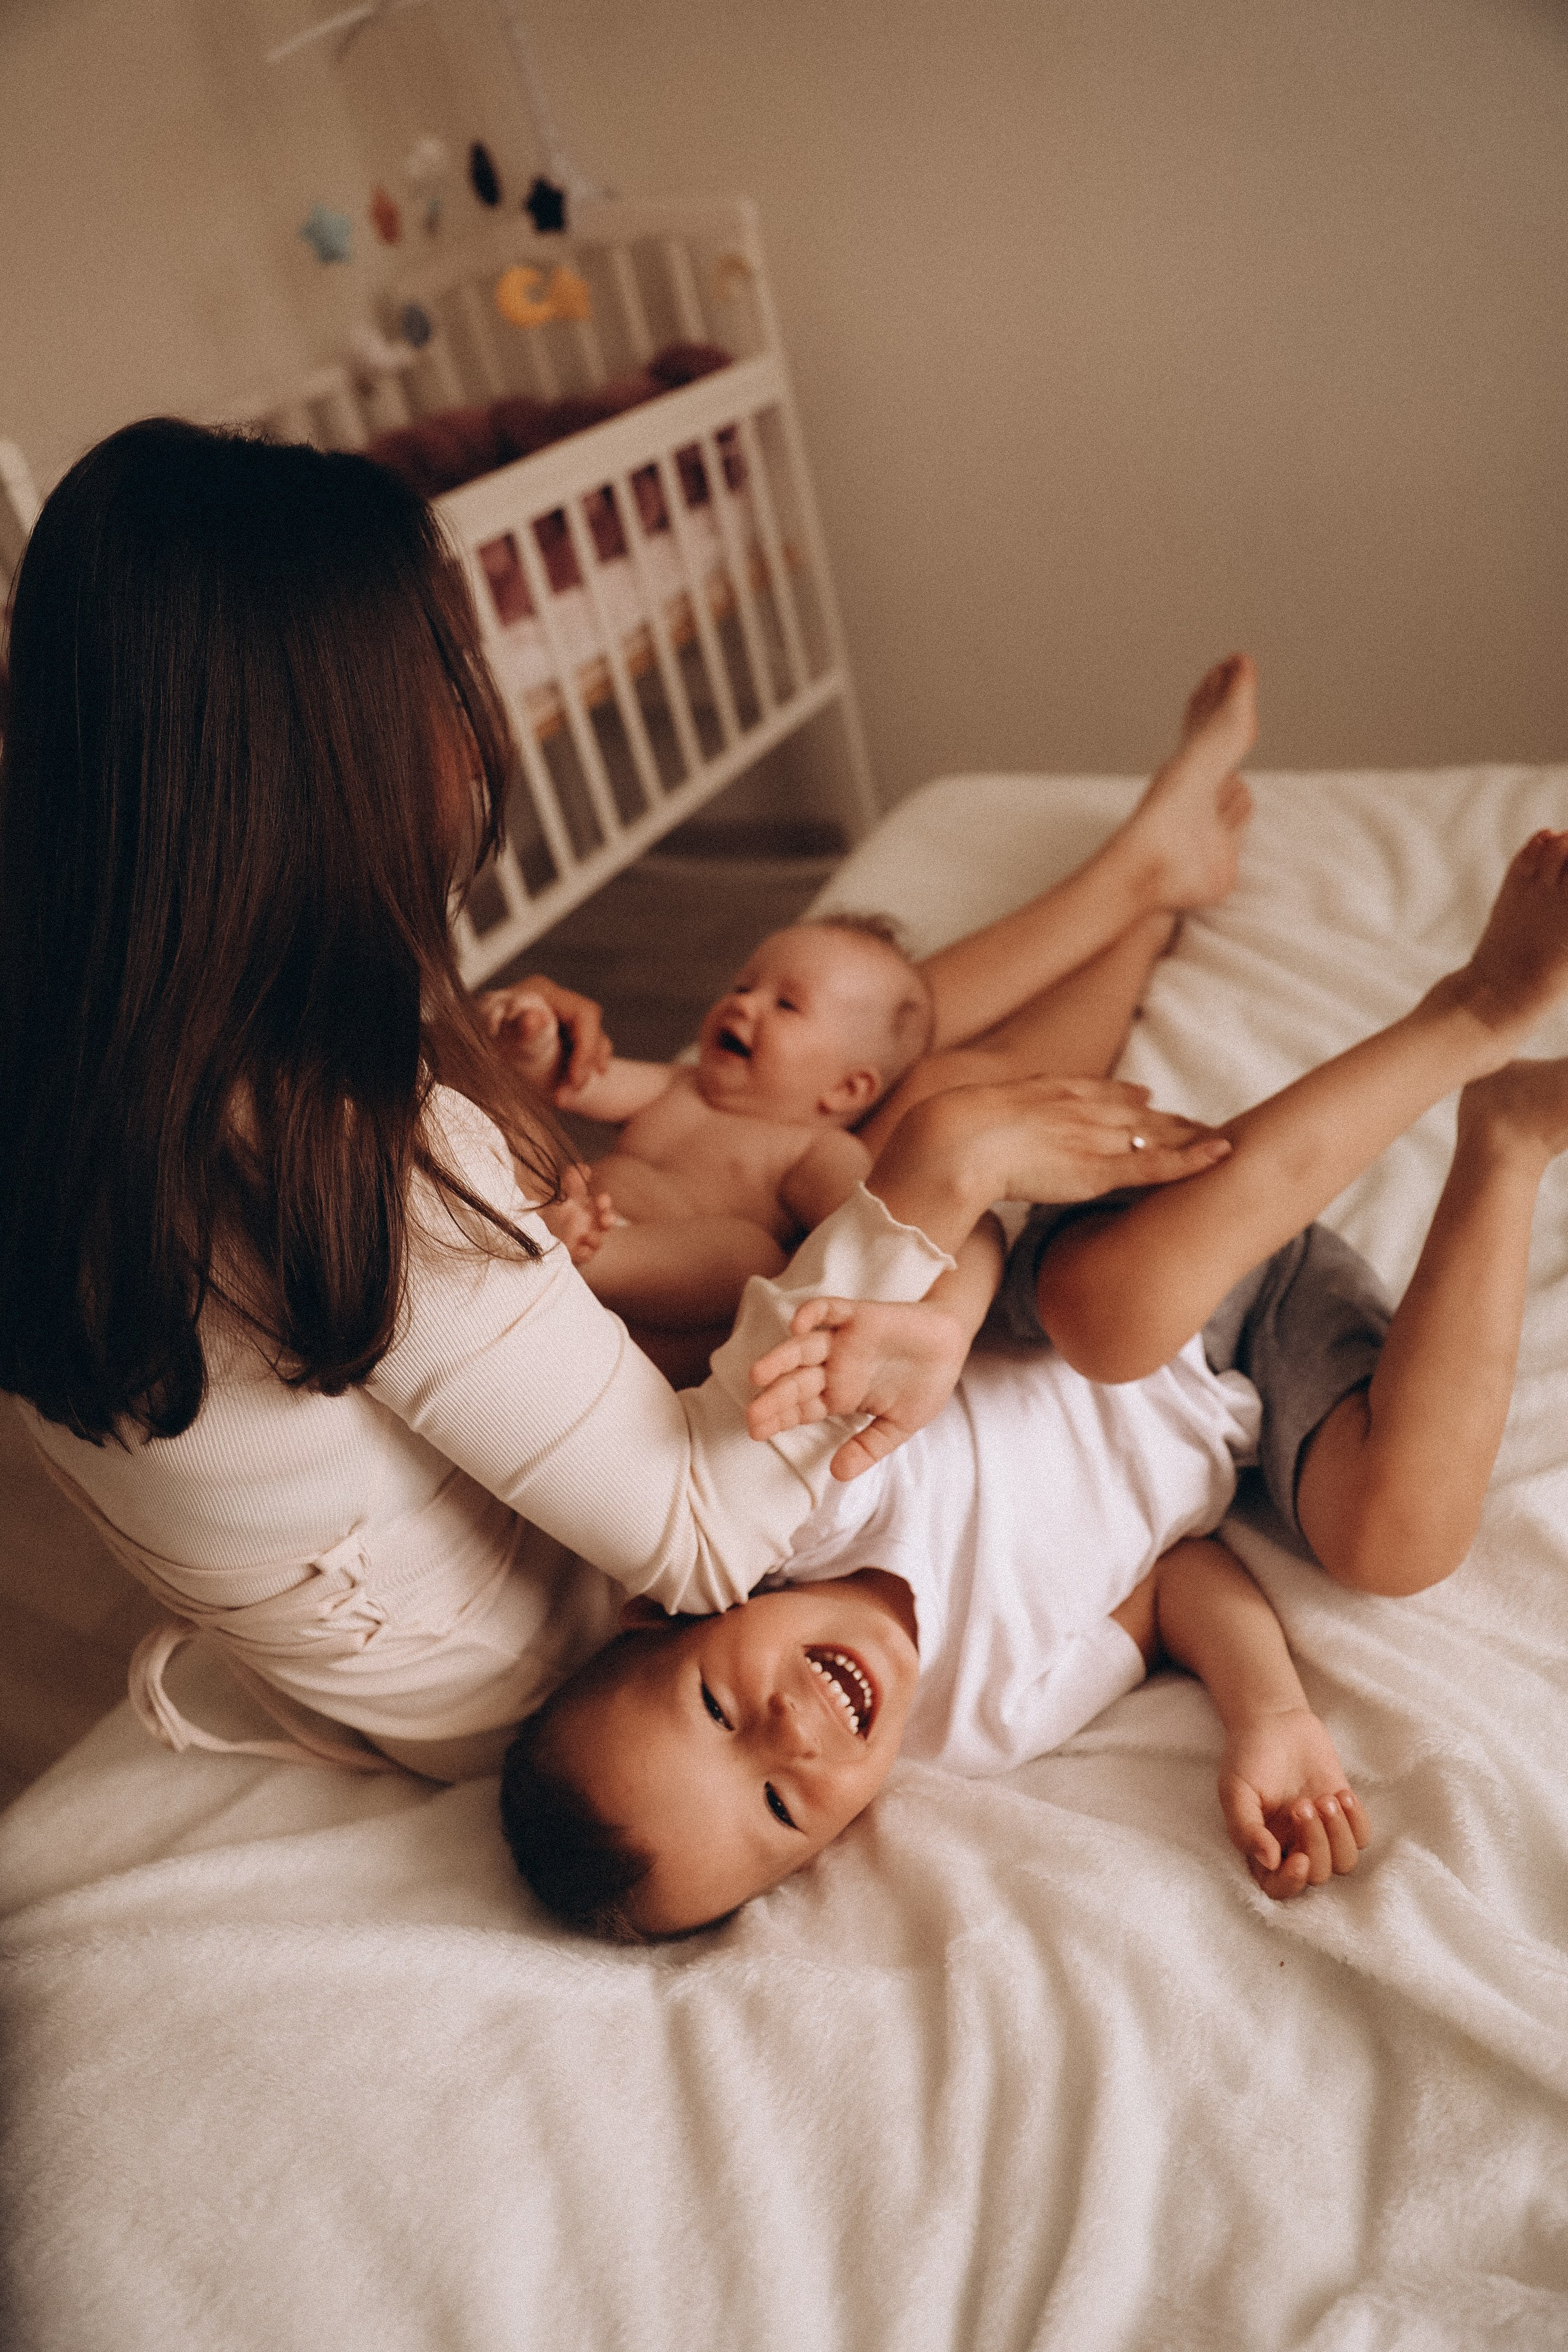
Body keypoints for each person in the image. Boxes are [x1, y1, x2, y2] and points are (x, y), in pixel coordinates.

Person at [0, 417, 1224, 1782]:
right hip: (586, 1631)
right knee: (922, 1098)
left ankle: (1135, 887)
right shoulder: (335, 1161)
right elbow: (706, 1537)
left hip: (476, 1544)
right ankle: (1135, 906)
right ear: (338, 758)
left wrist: (480, 1067)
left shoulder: (86, 1048)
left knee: (832, 1043)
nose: (469, 730)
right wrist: (942, 1182)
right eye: (440, 672)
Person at [498, 828, 1568, 1937]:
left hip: (1095, 1254)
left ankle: (1475, 1009)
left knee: (1114, 1324)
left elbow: (948, 1235)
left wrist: (942, 1329)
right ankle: (1510, 1141)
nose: (793, 1733)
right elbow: (1175, 1583)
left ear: (662, 1618)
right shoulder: (987, 1722)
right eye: (778, 1806)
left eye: (717, 1706)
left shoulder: (802, 1502)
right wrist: (1271, 1715)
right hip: (1253, 1352)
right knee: (1396, 1545)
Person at [476, 657, 1257, 1361]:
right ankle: (1146, 894)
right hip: (589, 1253)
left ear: (844, 1096)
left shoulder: (802, 1150)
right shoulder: (681, 1088)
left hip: (631, 1268)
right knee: (914, 1063)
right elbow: (581, 1080)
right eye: (745, 986)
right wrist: (536, 1047)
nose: (742, 1004)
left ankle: (1146, 895)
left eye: (780, 1002)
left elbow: (870, 1211)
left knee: (756, 1248)